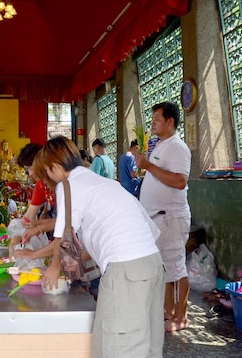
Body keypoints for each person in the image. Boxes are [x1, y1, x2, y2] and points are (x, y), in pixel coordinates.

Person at [34, 136, 164, 358]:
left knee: (118, 347)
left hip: (126, 273)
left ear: (54, 168)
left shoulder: (68, 185)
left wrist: (54, 268)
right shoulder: (99, 182)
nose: (48, 182)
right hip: (152, 265)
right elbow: (101, 240)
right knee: (149, 342)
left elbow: (62, 236)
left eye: (46, 175)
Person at [135, 101, 192, 333]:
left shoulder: (177, 147)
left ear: (171, 121)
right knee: (164, 267)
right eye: (152, 120)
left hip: (170, 218)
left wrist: (148, 165)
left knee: (177, 268)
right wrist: (146, 166)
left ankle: (182, 316)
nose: (153, 124)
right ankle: (167, 310)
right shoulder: (160, 145)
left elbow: (180, 181)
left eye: (157, 119)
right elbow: (158, 174)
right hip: (157, 218)